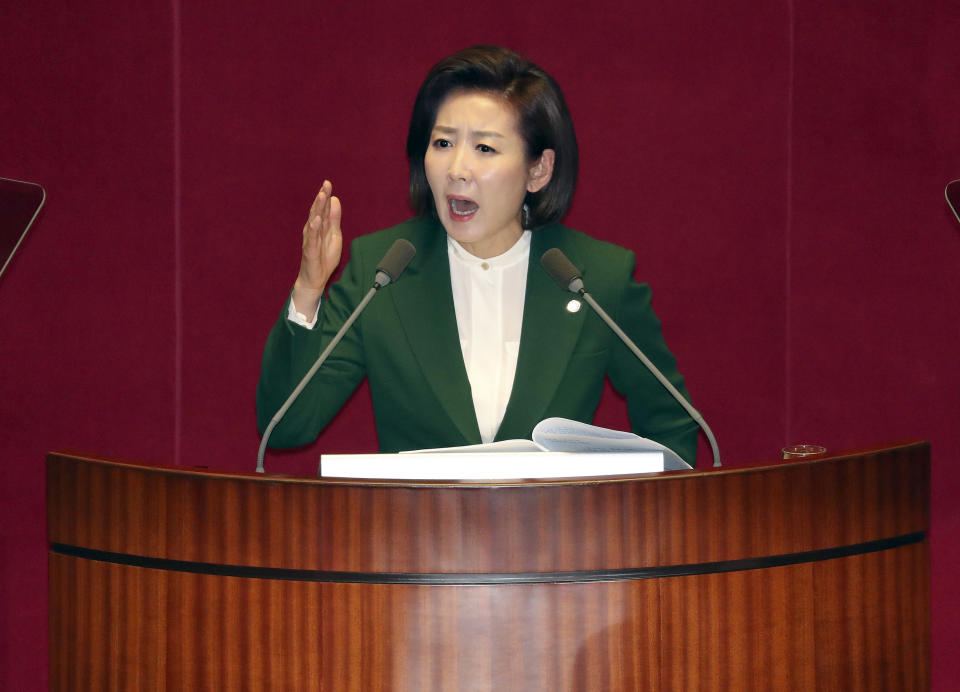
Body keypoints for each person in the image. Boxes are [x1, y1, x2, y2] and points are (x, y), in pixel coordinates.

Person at [257, 45, 700, 464]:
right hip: (414, 541)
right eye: (443, 143)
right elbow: (286, 427)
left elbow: (671, 426)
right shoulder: (383, 270)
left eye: (484, 148)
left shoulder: (599, 278)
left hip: (557, 541)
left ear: (538, 169)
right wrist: (308, 289)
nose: (457, 170)